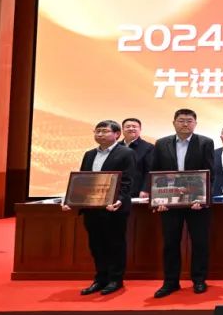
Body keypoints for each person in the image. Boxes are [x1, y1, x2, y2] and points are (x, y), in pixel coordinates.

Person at [148, 108, 215, 298]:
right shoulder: (161, 143)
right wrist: (158, 200)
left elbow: (210, 173)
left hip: (197, 203)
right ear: (174, 123)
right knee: (170, 243)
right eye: (181, 120)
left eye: (189, 121)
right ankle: (170, 282)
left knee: (200, 242)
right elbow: (155, 173)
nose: (185, 124)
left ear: (195, 123)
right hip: (169, 203)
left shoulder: (205, 143)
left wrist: (202, 198)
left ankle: (199, 280)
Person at [63, 120, 135, 296]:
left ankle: (115, 280)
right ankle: (100, 278)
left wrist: (119, 199)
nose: (100, 134)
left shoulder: (126, 153)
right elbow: (82, 181)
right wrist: (71, 199)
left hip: (113, 208)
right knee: (96, 244)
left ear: (117, 134)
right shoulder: (89, 154)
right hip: (92, 207)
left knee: (115, 244)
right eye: (98, 131)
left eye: (105, 131)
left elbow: (128, 180)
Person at [121, 117, 154, 197]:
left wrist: (145, 189)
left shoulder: (149, 147)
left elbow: (149, 171)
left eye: (134, 126)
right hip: (118, 190)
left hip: (137, 191)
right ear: (122, 129)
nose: (131, 128)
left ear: (140, 129)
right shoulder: (116, 147)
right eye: (128, 126)